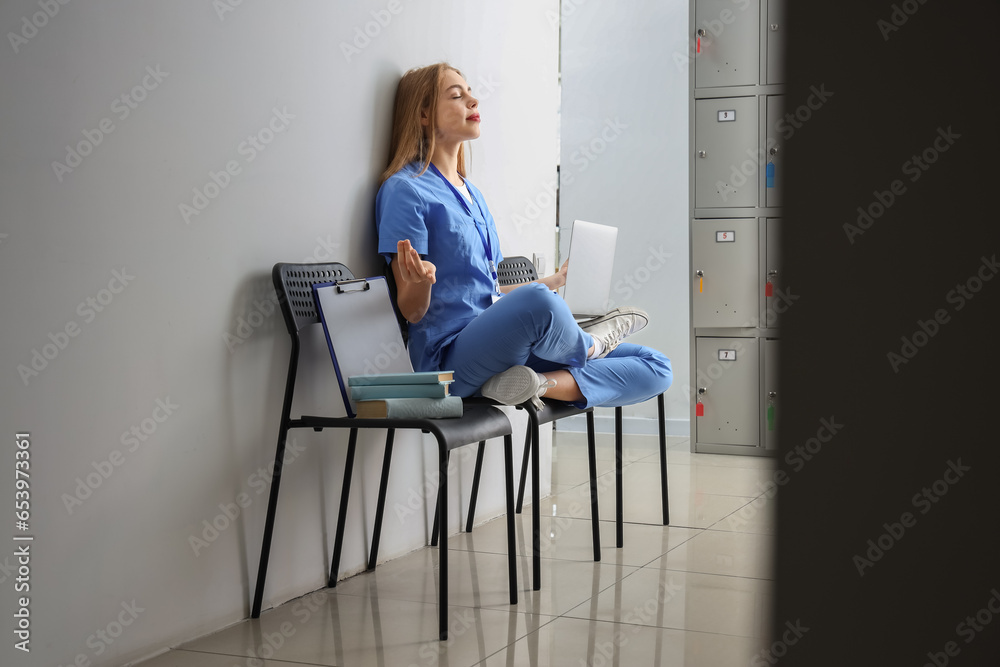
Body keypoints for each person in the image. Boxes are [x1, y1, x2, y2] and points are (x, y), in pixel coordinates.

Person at [375, 63, 671, 409]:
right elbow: (411, 312)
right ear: (423, 115)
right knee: (540, 301)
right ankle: (592, 344)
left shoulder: (473, 194)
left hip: (499, 348)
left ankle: (535, 384)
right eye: (457, 95)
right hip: (448, 360)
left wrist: (555, 279)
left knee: (656, 365)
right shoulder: (404, 190)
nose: (473, 100)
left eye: (471, 92)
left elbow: (484, 291)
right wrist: (422, 282)